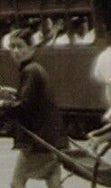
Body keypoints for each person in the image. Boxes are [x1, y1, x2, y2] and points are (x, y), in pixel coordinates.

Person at [6, 37, 66, 188]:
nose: (15, 51)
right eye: (12, 47)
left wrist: (3, 105)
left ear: (31, 48)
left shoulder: (30, 70)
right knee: (53, 181)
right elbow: (32, 98)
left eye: (20, 46)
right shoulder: (36, 68)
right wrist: (11, 93)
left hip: (39, 140)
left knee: (17, 183)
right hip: (52, 137)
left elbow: (24, 105)